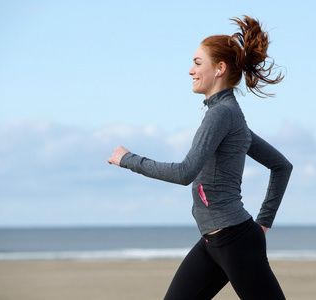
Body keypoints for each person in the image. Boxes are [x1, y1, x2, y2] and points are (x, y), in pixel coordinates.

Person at [108, 15, 293, 300]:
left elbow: (185, 173)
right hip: (213, 242)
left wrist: (128, 159)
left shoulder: (222, 114)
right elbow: (281, 165)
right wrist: (262, 225)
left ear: (219, 69)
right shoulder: (230, 116)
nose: (190, 71)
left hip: (235, 241)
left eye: (197, 63)